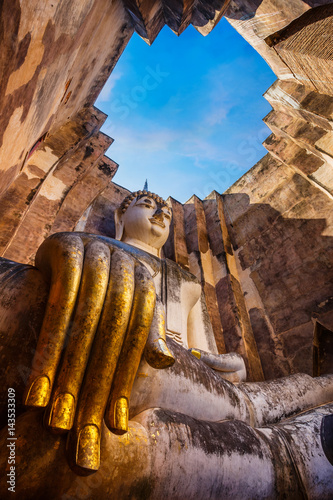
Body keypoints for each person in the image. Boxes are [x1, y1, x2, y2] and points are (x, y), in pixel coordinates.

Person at [0, 189, 332, 499]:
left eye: (167, 212)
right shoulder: (90, 245)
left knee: (249, 405)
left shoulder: (188, 282)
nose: (160, 214)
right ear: (121, 216)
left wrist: (230, 363)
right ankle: (292, 450)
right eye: (147, 205)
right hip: (124, 363)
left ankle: (309, 411)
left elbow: (202, 350)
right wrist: (68, 246)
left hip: (185, 371)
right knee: (244, 417)